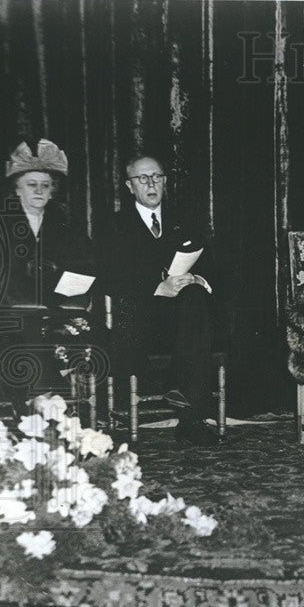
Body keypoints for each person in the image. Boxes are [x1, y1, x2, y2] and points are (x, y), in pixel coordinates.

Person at [96, 154, 219, 445]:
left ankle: (191, 420)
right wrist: (156, 287)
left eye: (157, 177)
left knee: (195, 297)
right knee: (191, 312)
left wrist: (197, 279)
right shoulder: (114, 225)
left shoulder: (185, 220)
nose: (151, 183)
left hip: (181, 322)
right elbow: (109, 277)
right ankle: (186, 401)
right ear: (130, 186)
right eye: (143, 178)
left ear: (164, 181)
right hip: (137, 322)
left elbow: (212, 264)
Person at [0, 139, 98, 410]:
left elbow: (86, 267)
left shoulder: (66, 225)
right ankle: (45, 402)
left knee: (89, 332)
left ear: (52, 192)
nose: (39, 190)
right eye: (31, 184)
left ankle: (44, 404)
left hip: (58, 310)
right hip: (10, 314)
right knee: (28, 330)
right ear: (16, 189)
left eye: (45, 186)